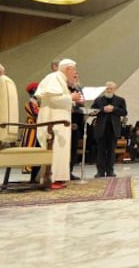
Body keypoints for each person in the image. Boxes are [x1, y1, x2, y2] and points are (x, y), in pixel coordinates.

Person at [35, 59, 83, 190]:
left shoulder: (60, 79)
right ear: (67, 68)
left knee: (61, 150)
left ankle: (58, 179)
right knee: (55, 149)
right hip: (53, 122)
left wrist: (73, 101)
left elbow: (61, 100)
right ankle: (51, 179)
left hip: (60, 121)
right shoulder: (54, 77)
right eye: (74, 70)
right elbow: (53, 99)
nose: (75, 73)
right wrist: (71, 98)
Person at [91, 81, 127, 178]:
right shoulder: (98, 100)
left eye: (111, 88)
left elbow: (124, 112)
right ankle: (100, 171)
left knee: (111, 151)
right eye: (107, 88)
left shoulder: (120, 100)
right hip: (101, 129)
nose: (109, 90)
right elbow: (92, 111)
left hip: (113, 129)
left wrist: (114, 109)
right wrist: (103, 109)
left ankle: (110, 171)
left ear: (114, 89)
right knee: (101, 151)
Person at [20, 82, 41, 182]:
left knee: (38, 152)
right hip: (32, 129)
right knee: (32, 150)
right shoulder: (29, 104)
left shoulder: (37, 103)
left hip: (38, 129)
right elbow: (36, 114)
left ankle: (36, 176)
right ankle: (33, 176)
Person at [68, 75, 83, 181]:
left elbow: (80, 107)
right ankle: (63, 173)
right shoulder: (65, 90)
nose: (77, 80)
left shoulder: (78, 91)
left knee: (73, 150)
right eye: (75, 78)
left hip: (76, 125)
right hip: (66, 123)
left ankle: (69, 171)